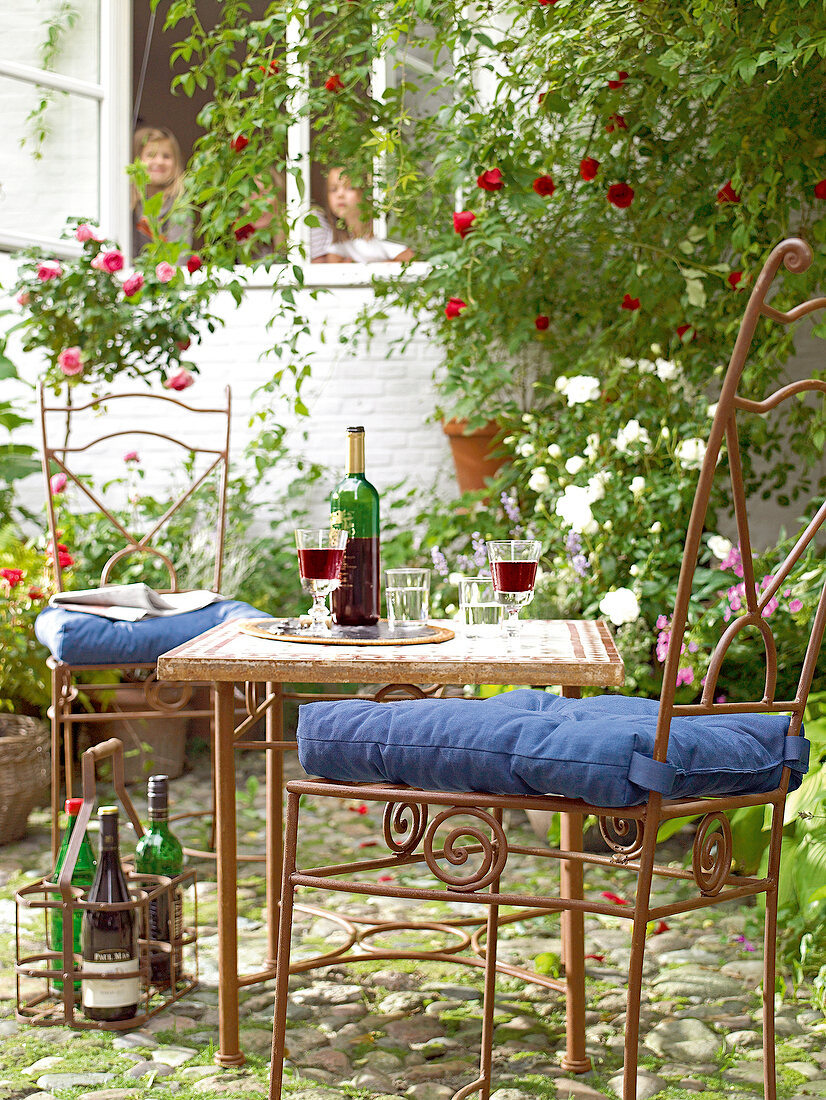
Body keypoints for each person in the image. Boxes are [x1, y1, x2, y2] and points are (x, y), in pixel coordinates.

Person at [322, 167, 414, 263]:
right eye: (333, 189)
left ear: (366, 192)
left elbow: (409, 258)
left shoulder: (383, 234)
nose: (340, 194)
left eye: (350, 187)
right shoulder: (338, 247)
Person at [132, 126, 193, 255]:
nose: (159, 161)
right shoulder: (130, 202)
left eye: (166, 156)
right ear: (137, 160)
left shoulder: (179, 203)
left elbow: (179, 255)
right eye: (151, 155)